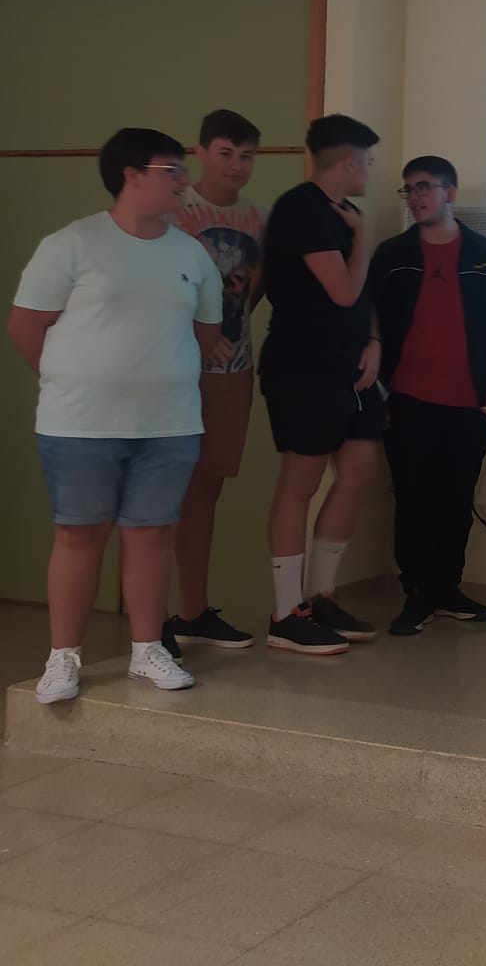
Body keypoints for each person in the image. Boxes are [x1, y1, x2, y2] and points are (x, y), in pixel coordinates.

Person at [10, 128, 222, 702]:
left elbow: (206, 334)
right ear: (132, 175)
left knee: (151, 536)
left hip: (170, 424)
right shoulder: (71, 244)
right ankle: (63, 658)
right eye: (172, 170)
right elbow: (26, 326)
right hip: (79, 424)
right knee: (78, 537)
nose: (184, 181)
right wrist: (73, 380)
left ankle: (147, 650)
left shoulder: (191, 253)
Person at [369, 156, 486, 636]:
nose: (415, 197)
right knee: (413, 497)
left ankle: (447, 589)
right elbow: (369, 315)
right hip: (406, 398)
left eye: (424, 187)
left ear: (448, 193)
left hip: (472, 401)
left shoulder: (485, 254)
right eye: (409, 189)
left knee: (456, 498)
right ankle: (416, 593)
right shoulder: (392, 254)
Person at [257, 114, 383, 654]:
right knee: (300, 482)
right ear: (349, 162)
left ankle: (321, 596)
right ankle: (286, 613)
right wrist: (363, 239)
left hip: (351, 368)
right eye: (368, 162)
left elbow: (362, 298)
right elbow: (343, 291)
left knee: (358, 470)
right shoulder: (301, 209)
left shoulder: (348, 213)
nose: (370, 171)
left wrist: (373, 340)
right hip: (303, 367)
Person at [165, 109, 266, 652]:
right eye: (226, 153)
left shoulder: (256, 218)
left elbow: (252, 294)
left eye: (246, 155)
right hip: (173, 373)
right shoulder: (174, 211)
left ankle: (192, 611)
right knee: (160, 493)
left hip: (232, 374)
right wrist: (196, 337)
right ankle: (151, 620)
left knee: (206, 492)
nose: (237, 165)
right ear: (200, 152)